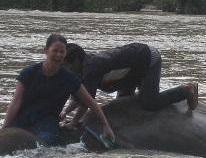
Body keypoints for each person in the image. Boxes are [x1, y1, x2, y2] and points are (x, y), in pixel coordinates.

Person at [2, 33, 115, 146]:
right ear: (46, 50)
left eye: (62, 52)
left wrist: (106, 126)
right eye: (55, 51)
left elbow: (91, 102)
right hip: (23, 116)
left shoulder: (70, 79)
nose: (58, 55)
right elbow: (15, 102)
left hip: (47, 121)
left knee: (42, 146)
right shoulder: (29, 72)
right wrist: (5, 127)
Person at [61, 42, 198, 125]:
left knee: (150, 102)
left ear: (77, 61)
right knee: (122, 104)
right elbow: (78, 98)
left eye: (66, 65)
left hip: (147, 58)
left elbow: (88, 102)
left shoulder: (91, 67)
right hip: (128, 73)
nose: (65, 69)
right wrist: (64, 112)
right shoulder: (80, 71)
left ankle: (185, 90)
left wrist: (73, 122)